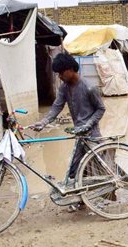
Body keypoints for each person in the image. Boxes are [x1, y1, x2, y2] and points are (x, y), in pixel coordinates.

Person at [32, 53, 106, 182]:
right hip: (79, 133)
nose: (60, 76)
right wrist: (44, 122)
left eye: (61, 72)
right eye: (58, 73)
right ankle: (82, 195)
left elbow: (101, 109)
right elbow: (57, 106)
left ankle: (126, 181)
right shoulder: (64, 88)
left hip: (92, 133)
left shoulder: (89, 87)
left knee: (102, 163)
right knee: (76, 168)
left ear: (71, 69)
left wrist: (89, 124)